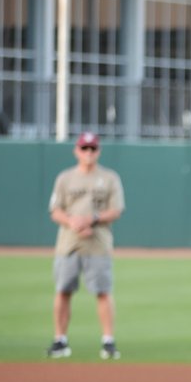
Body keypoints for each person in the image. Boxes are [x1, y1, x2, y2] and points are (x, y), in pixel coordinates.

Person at [46, 131, 125, 360]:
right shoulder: (65, 178)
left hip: (98, 242)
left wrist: (92, 219)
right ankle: (60, 339)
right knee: (63, 291)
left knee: (103, 291)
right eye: (84, 148)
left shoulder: (110, 178)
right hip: (69, 242)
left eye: (92, 149)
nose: (88, 153)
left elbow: (116, 210)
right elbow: (55, 210)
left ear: (98, 151)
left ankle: (108, 341)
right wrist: (73, 221)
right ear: (76, 151)